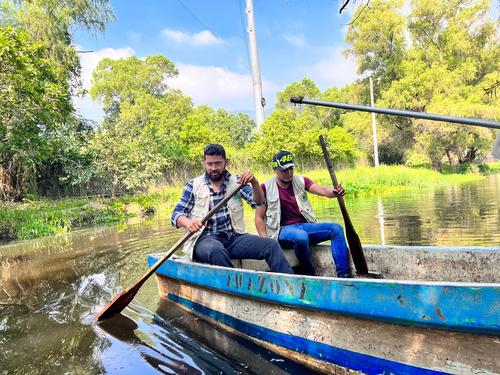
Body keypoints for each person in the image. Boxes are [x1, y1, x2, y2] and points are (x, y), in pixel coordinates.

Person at [171, 144, 293, 274]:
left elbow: (259, 202)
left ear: (226, 162)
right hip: (204, 240)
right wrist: (188, 222)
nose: (213, 168)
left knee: (270, 245)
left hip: (233, 238)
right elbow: (176, 215)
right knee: (215, 250)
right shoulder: (194, 185)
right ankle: (237, 288)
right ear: (204, 163)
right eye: (209, 164)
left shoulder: (237, 182)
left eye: (218, 164)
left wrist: (254, 183)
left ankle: (291, 286)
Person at [255, 150, 352, 277]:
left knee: (336, 229)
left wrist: (333, 192)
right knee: (300, 236)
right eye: (284, 170)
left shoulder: (301, 181)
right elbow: (259, 217)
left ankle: (344, 276)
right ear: (275, 169)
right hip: (281, 231)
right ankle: (309, 273)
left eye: (291, 169)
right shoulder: (265, 188)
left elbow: (322, 189)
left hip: (304, 227)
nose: (289, 173)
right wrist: (265, 239)